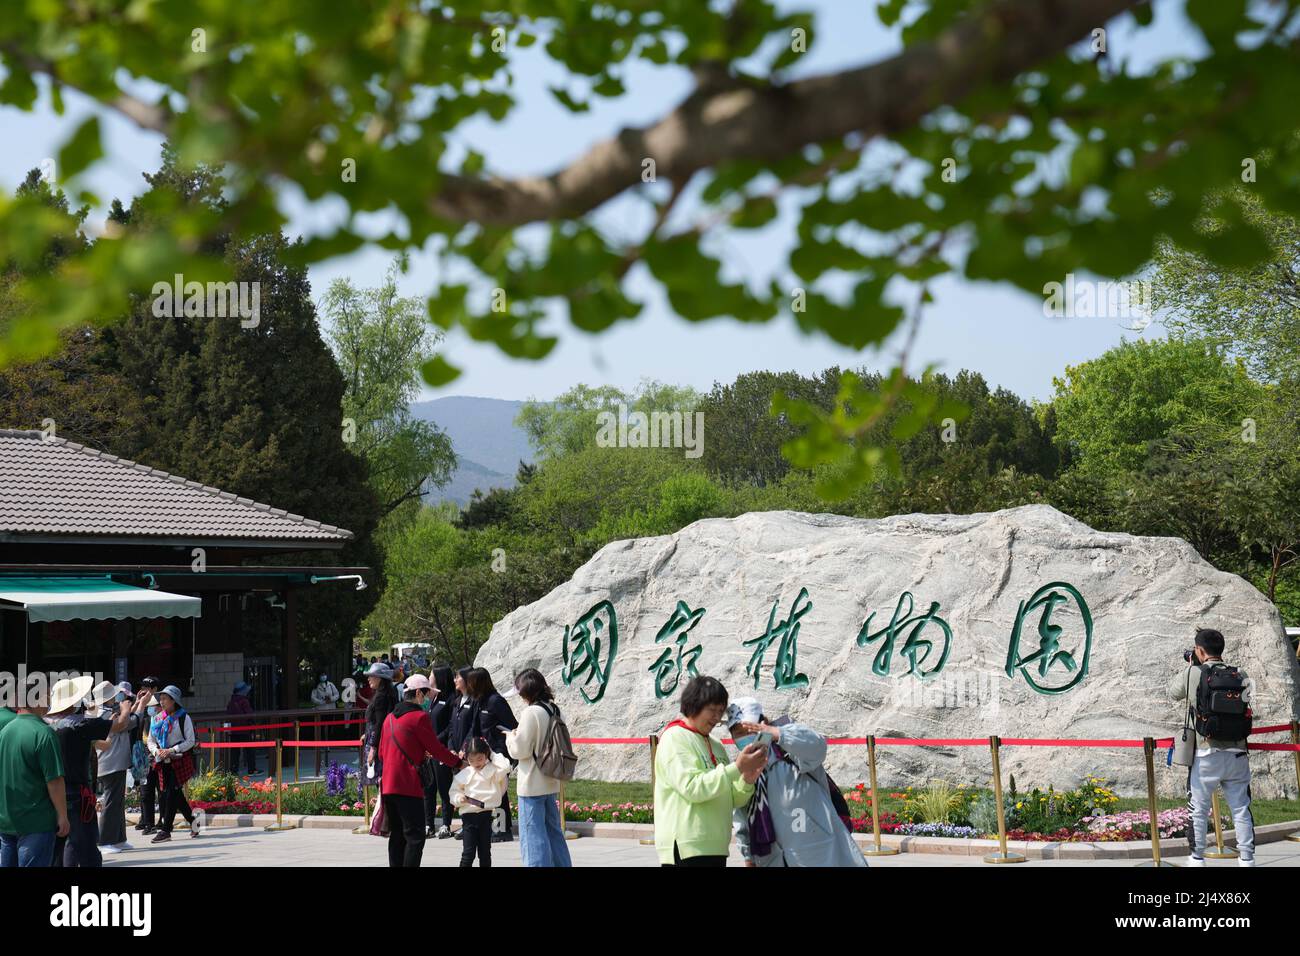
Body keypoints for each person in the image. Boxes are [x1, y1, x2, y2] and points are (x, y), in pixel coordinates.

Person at [725, 697, 867, 867]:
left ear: (763, 723)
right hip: (773, 859)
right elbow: (741, 819)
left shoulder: (788, 749)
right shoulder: (742, 768)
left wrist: (777, 733)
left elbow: (817, 746)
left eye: (749, 729)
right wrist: (748, 857)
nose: (744, 737)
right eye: (738, 733)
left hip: (819, 854)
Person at [654, 675, 766, 867]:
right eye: (712, 710)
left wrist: (746, 780)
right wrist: (737, 767)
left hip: (715, 848)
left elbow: (732, 798)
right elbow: (693, 788)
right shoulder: (674, 738)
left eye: (720, 711)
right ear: (693, 705)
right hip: (687, 848)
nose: (716, 718)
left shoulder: (716, 745)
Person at [1169, 627, 1257, 867]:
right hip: (1238, 752)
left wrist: (1190, 666)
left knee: (1198, 810)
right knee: (1241, 808)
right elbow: (1248, 706)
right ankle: (1247, 859)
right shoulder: (1242, 674)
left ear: (1199, 650)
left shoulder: (1194, 673)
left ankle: (1197, 859)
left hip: (1206, 752)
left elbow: (1172, 693)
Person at [47, 676, 132, 867]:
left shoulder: (49, 725)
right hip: (77, 792)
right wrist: (125, 710)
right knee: (85, 844)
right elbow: (120, 725)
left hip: (53, 791)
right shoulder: (81, 725)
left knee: (59, 845)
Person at [377, 681, 463, 867]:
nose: (427, 698)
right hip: (408, 784)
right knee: (415, 837)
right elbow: (436, 748)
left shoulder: (389, 718)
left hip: (389, 785)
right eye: (426, 694)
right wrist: (457, 762)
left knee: (398, 835)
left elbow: (382, 753)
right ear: (418, 693)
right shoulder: (419, 717)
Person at [504, 668, 572, 867]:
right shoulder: (554, 709)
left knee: (532, 836)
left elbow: (520, 750)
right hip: (551, 778)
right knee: (554, 833)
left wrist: (510, 737)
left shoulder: (530, 712)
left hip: (532, 781)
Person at [0, 677, 68, 867]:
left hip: (7, 821)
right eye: (48, 694)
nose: (50, 699)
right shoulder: (44, 733)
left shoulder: (5, 732)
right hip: (36, 822)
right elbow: (54, 781)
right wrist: (62, 815)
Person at [90, 682, 148, 855]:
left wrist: (136, 704)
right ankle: (105, 841)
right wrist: (142, 706)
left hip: (113, 762)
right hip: (111, 763)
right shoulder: (106, 714)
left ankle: (119, 839)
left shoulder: (102, 712)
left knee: (117, 802)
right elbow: (129, 723)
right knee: (110, 802)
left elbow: (125, 718)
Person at [467, 667, 517, 842]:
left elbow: (513, 725)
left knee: (499, 792)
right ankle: (492, 826)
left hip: (500, 755)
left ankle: (504, 830)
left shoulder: (496, 701)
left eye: (471, 682)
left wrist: (500, 742)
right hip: (486, 755)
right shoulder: (480, 701)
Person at [146, 685, 198, 844]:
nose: (161, 702)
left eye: (164, 698)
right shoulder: (156, 718)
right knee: (175, 794)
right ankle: (194, 822)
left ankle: (165, 830)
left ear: (174, 700)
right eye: (160, 699)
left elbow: (190, 741)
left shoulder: (184, 718)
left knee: (170, 793)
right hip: (162, 760)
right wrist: (157, 752)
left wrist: (172, 750)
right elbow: (150, 740)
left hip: (179, 759)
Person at [451, 736, 510, 867]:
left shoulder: (493, 771)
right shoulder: (465, 773)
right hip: (469, 817)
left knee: (485, 853)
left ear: (486, 755)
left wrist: (493, 753)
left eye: (480, 759)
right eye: (471, 760)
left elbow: (506, 766)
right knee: (468, 853)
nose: (476, 763)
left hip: (485, 815)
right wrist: (459, 799)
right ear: (467, 759)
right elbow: (454, 791)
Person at [424, 666, 455, 839]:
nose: (429, 677)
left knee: (444, 789)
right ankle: (429, 824)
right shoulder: (433, 699)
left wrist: (435, 741)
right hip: (429, 751)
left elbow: (450, 726)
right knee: (428, 789)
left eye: (431, 675)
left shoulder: (450, 699)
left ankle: (445, 824)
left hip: (440, 750)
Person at [133, 678, 161, 834]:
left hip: (158, 758)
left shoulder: (162, 713)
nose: (145, 690)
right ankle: (147, 821)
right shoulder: (141, 712)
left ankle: (162, 820)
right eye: (143, 687)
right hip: (143, 758)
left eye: (149, 687)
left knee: (161, 791)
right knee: (144, 792)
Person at [363, 663, 397, 785]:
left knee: (379, 779)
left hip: (378, 743)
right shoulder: (388, 694)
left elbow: (379, 724)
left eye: (371, 676)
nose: (368, 679)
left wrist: (373, 748)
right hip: (384, 741)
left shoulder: (381, 697)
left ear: (379, 678)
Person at [225, 681, 257, 776]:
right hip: (244, 730)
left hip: (234, 731)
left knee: (235, 752)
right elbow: (249, 715)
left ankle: (233, 771)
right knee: (250, 750)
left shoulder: (231, 702)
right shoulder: (244, 701)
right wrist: (253, 723)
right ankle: (252, 769)